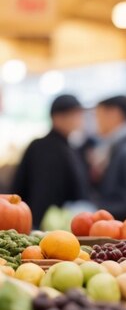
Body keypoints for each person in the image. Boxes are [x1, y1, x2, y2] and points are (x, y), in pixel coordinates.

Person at [12, 94, 89, 228]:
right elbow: (42, 193)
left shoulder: (66, 145)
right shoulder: (46, 148)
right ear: (57, 117)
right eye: (75, 114)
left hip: (50, 224)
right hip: (47, 227)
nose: (80, 119)